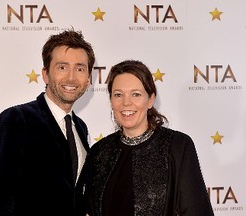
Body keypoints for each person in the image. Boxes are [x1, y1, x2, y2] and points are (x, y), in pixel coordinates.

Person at [0, 29, 95, 216]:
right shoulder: (17, 119)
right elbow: (0, 200)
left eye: (79, 68)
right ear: (45, 74)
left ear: (88, 79)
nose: (71, 77)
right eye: (62, 67)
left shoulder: (80, 127)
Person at [84, 60, 214, 216]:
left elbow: (195, 210)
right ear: (111, 101)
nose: (126, 103)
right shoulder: (99, 152)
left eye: (136, 94)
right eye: (118, 95)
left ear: (151, 99)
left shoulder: (178, 146)